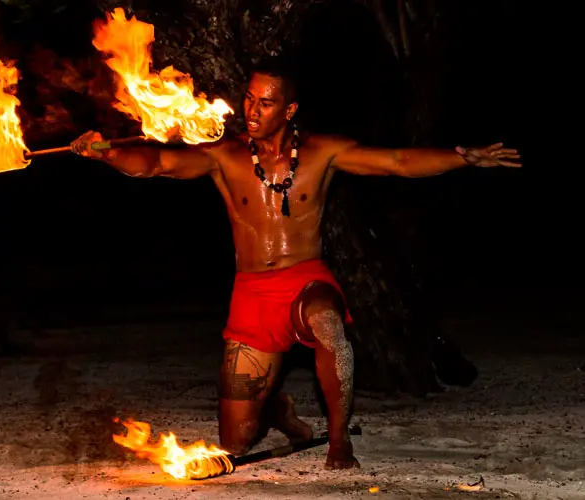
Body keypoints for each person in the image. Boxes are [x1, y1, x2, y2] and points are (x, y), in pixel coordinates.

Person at [70, 58, 521, 470]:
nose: (252, 109)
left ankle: (340, 440)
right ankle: (277, 409)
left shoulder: (322, 152)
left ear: (289, 110)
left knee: (328, 321)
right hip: (251, 294)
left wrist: (463, 157)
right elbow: (155, 164)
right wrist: (106, 153)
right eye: (249, 98)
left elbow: (397, 161)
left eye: (266, 103)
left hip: (305, 280)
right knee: (236, 442)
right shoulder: (223, 155)